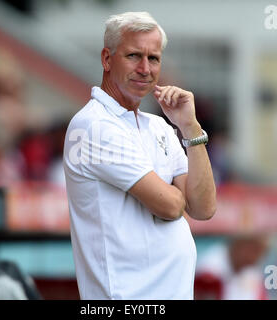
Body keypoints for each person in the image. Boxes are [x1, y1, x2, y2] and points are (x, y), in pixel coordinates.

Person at [63, 12, 216, 300]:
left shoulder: (157, 125)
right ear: (107, 59)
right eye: (134, 56)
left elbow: (203, 207)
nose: (145, 68)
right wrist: (175, 192)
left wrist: (190, 126)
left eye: (154, 58)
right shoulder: (93, 125)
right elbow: (171, 207)